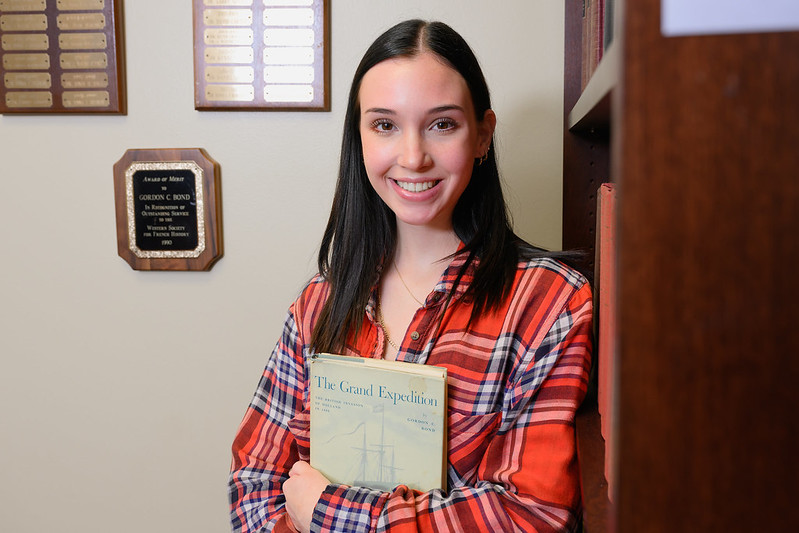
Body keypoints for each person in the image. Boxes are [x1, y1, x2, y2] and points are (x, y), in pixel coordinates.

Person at [229, 19, 592, 533]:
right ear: (359, 138)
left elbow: (532, 513)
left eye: (442, 124)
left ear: (483, 134)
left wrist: (327, 513)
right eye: (385, 125)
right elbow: (253, 483)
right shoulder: (317, 305)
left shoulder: (551, 304)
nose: (413, 157)